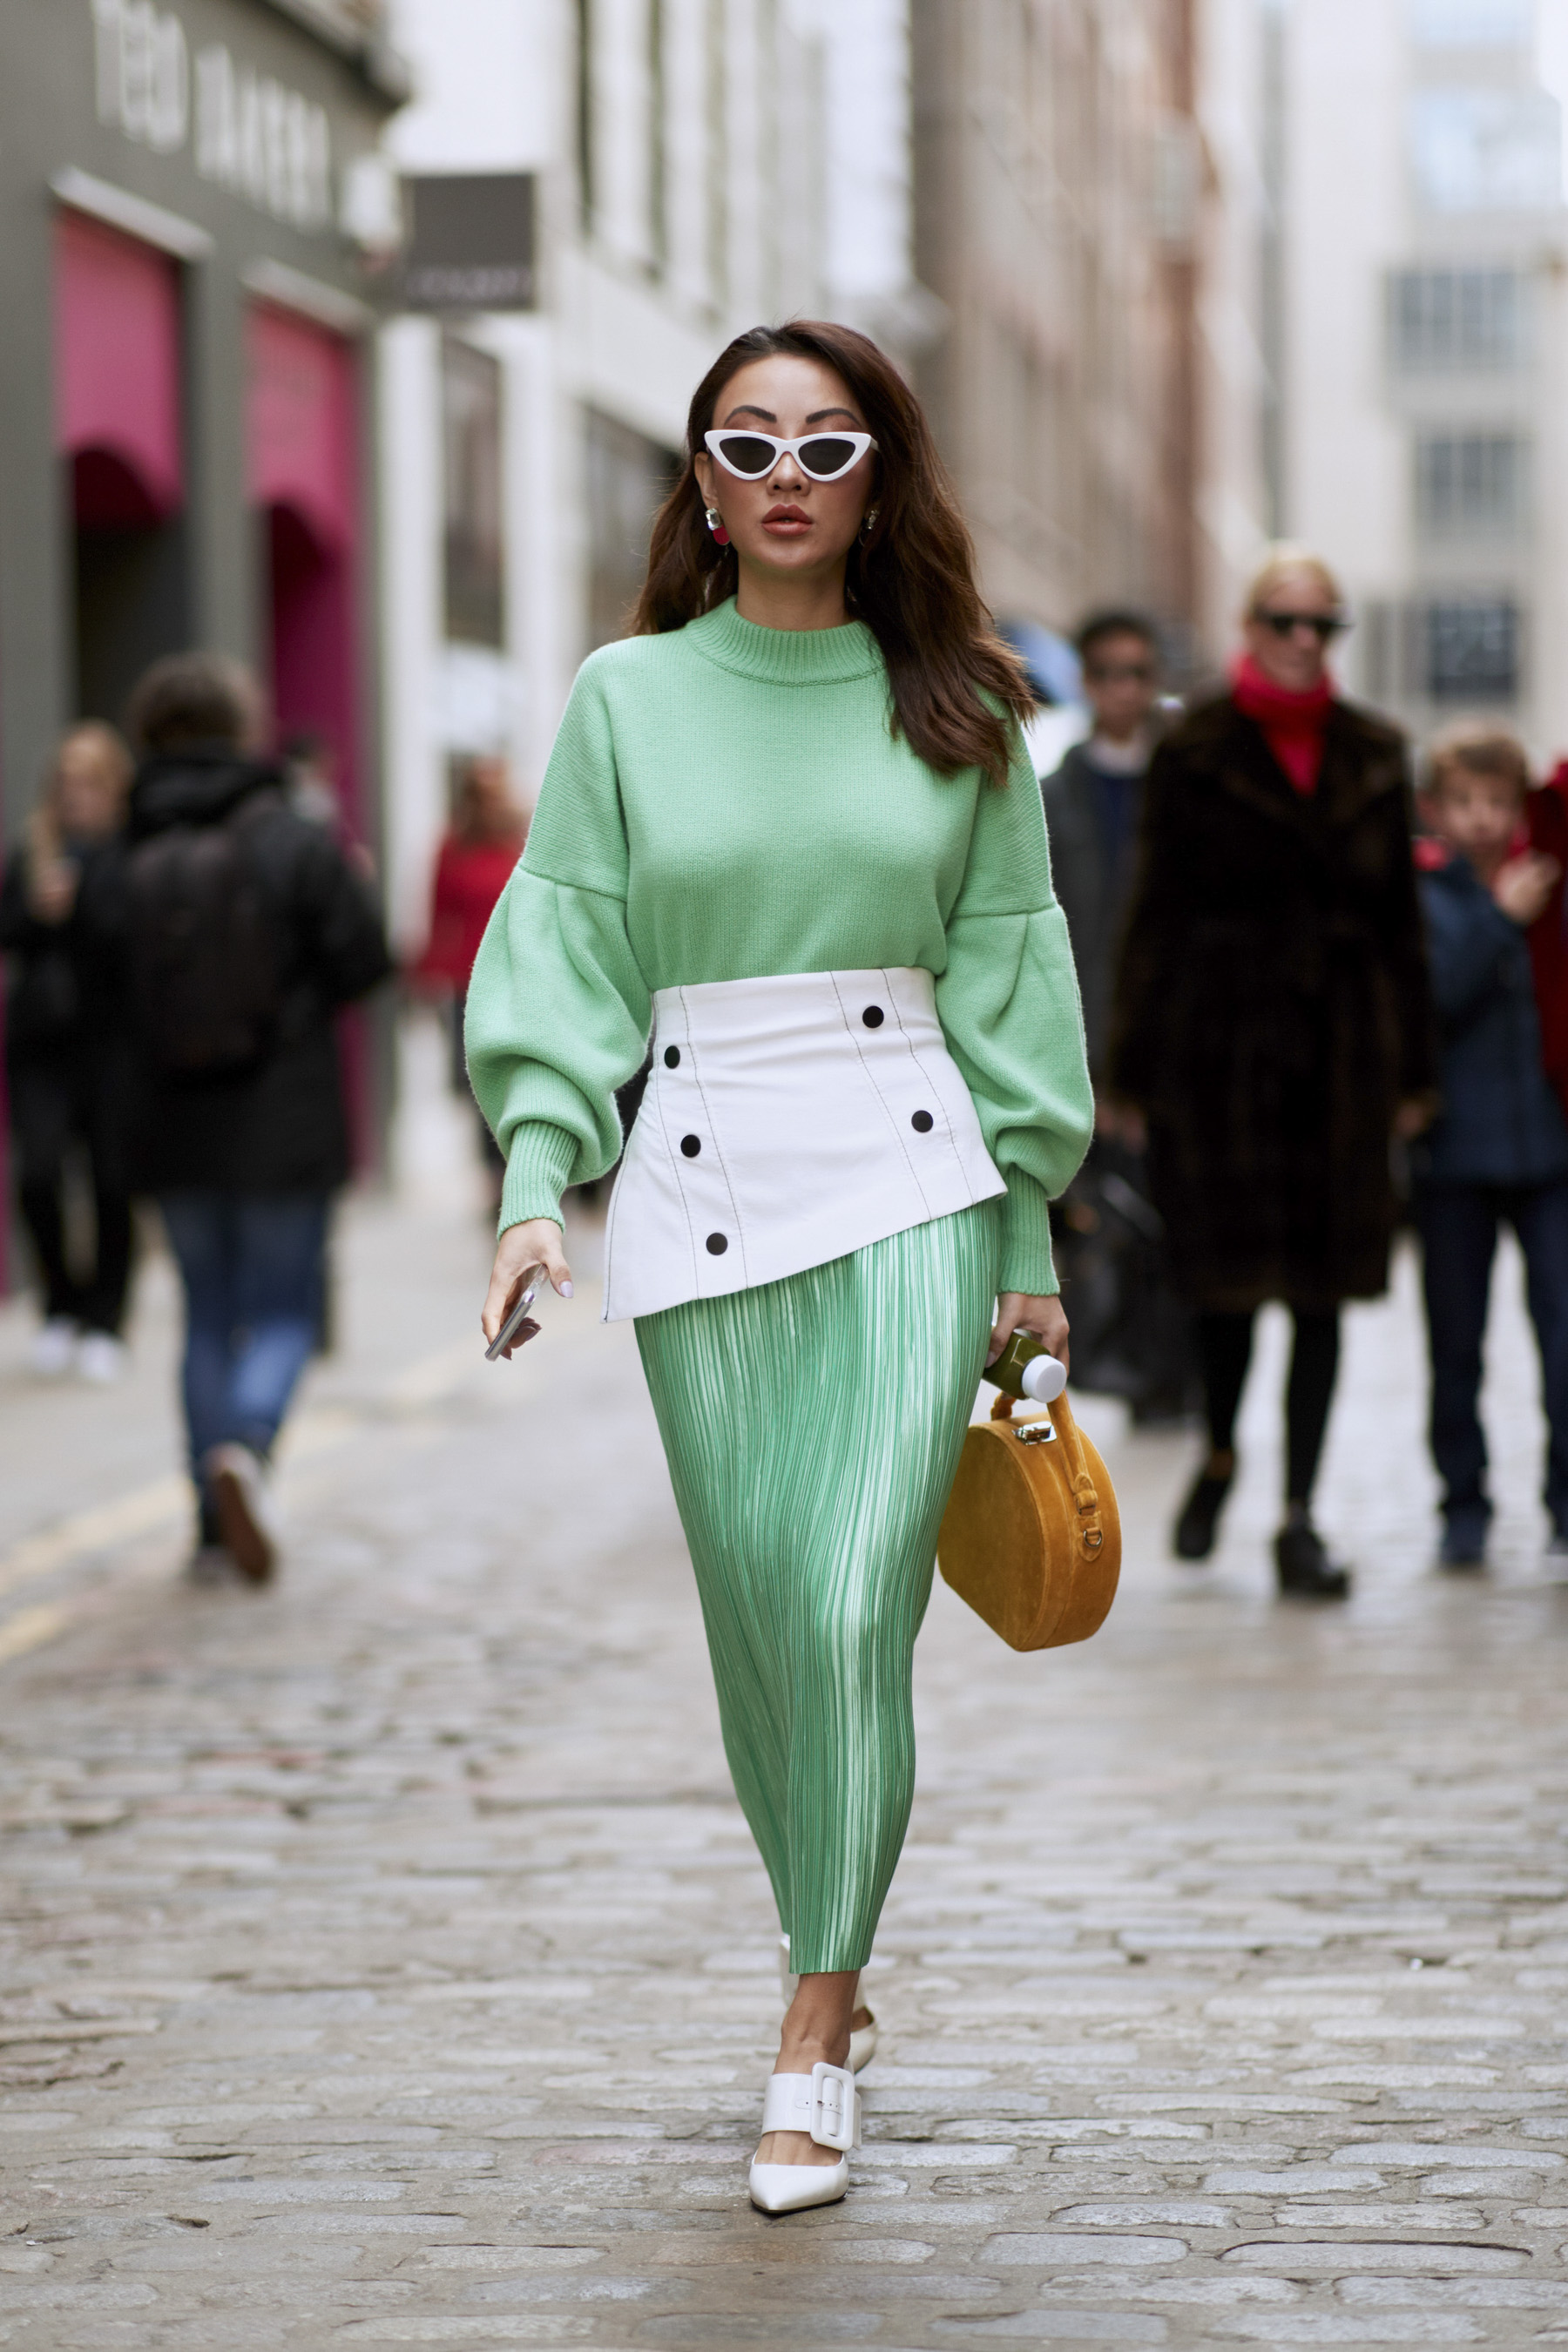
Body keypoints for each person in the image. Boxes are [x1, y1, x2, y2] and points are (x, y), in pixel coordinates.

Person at [464, 321, 1092, 2213]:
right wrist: (528, 1185)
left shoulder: (963, 703)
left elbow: (1010, 968)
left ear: (880, 477)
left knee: (839, 1609)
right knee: (759, 1622)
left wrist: (1031, 1230)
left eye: (829, 447)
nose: (789, 478)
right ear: (704, 482)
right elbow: (566, 950)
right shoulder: (626, 701)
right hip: (703, 1186)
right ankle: (834, 1934)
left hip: (918, 1179)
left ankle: (813, 2028)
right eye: (749, 446)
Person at [1108, 547, 1436, 1599]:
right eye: (1287, 621)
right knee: (1226, 1294)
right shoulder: (1193, 747)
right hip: (1222, 1057)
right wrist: (1130, 1070)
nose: (1305, 642)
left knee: (1323, 1295)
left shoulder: (1379, 753)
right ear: (1250, 628)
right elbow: (1151, 914)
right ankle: (1217, 1457)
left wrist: (1413, 1068)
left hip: (1342, 1056)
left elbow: (1402, 932)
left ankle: (1299, 1515)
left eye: (1323, 626)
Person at [123, 652, 390, 1584]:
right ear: (242, 728)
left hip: (170, 1122)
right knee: (280, 1310)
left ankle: (207, 1526)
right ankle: (247, 1444)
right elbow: (365, 962)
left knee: (205, 1314)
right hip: (285, 1116)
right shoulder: (291, 834)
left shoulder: (125, 839)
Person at [1411, 722, 1568, 1568]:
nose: (1481, 820)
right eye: (1464, 803)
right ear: (1436, 809)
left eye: (1497, 803)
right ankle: (1462, 1504)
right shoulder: (1428, 893)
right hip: (1455, 1156)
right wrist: (1502, 922)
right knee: (1455, 1345)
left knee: (1563, 1334)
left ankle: (1565, 1501)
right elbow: (1430, 1001)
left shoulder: (1547, 879)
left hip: (1549, 1151)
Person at [1041, 612, 1193, 1420]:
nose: (1125, 690)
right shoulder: (1050, 797)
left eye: (1140, 672)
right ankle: (1122, 1366)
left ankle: (1178, 1378)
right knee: (1103, 1225)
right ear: (1086, 682)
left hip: (1181, 1054)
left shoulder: (1187, 785)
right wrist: (1089, 1069)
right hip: (1089, 1048)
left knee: (1179, 1224)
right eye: (1107, 673)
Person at [0, 723, 137, 1381]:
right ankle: (61, 1303)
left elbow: (131, 946)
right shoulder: (34, 850)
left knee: (112, 1182)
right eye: (67, 784)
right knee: (37, 1176)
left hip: (110, 1044)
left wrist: (82, 907)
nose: (76, 798)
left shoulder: (130, 854)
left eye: (90, 785)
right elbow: (8, 932)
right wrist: (37, 910)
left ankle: (107, 1320)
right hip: (41, 1047)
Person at [414, 757, 527, 1206]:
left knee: (521, 1076)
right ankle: (494, 1183)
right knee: (480, 1084)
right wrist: (425, 975)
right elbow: (438, 913)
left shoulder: (522, 839)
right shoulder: (452, 846)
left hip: (520, 979)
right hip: (469, 985)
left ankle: (526, 1173)